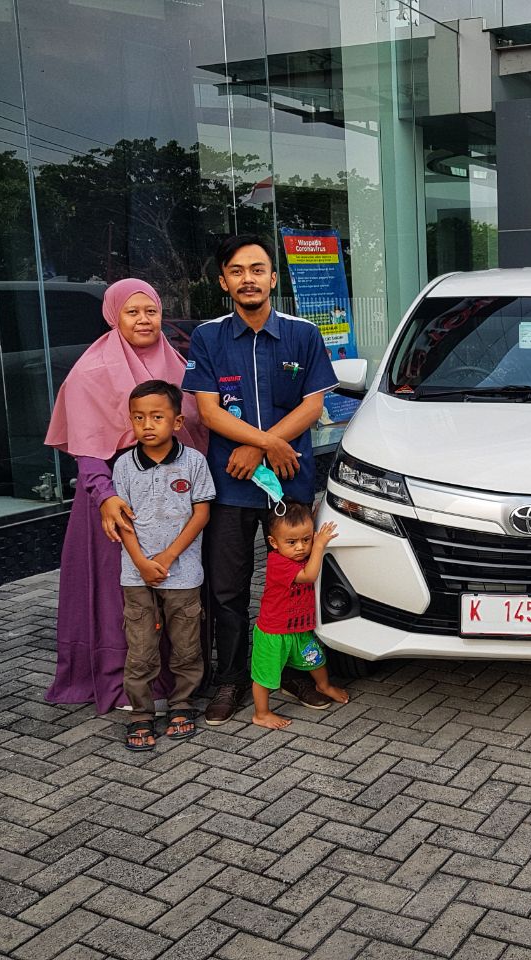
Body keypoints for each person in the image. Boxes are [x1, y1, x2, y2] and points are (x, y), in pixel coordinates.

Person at [182, 235, 337, 726]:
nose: (247, 279)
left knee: (293, 582)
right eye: (237, 271)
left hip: (287, 483)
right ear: (223, 282)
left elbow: (313, 405)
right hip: (230, 483)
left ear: (273, 278)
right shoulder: (208, 338)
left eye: (256, 269)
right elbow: (208, 412)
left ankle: (291, 670)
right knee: (228, 588)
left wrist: (263, 446)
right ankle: (230, 678)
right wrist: (264, 443)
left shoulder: (302, 334)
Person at [45, 279, 207, 714]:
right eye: (132, 312)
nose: (143, 320)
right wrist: (105, 498)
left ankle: (179, 678)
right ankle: (125, 683)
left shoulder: (177, 364)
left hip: (173, 497)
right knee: (124, 594)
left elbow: (197, 426)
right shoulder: (90, 372)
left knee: (175, 582)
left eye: (150, 311)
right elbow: (87, 450)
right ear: (113, 316)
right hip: (117, 500)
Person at [113, 380, 216, 750]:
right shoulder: (124, 466)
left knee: (186, 644)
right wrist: (142, 562)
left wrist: (169, 556)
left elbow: (201, 514)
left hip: (183, 573)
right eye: (139, 417)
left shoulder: (194, 462)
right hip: (136, 574)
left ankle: (182, 703)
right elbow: (122, 521)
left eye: (157, 417)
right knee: (140, 647)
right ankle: (141, 713)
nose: (147, 425)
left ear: (177, 422)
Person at [251, 502, 349, 729]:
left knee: (316, 660)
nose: (300, 548)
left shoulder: (298, 555)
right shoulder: (278, 562)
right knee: (264, 675)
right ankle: (261, 713)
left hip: (300, 628)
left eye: (306, 539)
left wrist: (316, 517)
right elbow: (308, 576)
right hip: (274, 632)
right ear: (273, 543)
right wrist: (319, 544)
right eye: (291, 542)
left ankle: (323, 686)